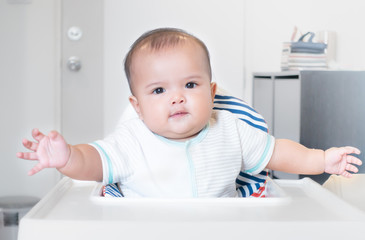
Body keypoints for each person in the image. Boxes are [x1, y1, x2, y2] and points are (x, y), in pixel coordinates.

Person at [17, 28, 362, 197]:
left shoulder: (231, 129)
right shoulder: (132, 141)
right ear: (136, 107)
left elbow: (279, 153)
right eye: (159, 90)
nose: (177, 98)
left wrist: (321, 159)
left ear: (212, 93)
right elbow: (94, 163)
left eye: (191, 85)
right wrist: (67, 157)